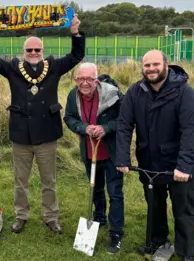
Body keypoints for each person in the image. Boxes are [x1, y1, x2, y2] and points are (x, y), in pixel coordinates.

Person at [0, 14, 85, 234]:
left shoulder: (53, 67)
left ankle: (51, 216)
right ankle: (21, 216)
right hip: (21, 135)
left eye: (37, 50)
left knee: (49, 180)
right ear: (23, 52)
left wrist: (75, 33)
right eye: (29, 50)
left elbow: (77, 55)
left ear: (42, 51)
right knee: (21, 181)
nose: (34, 53)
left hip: (47, 134)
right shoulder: (13, 69)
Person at [115, 50, 194, 261]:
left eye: (155, 64)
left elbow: (191, 130)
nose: (151, 69)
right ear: (142, 68)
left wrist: (183, 166)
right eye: (147, 65)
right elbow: (124, 125)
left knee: (184, 210)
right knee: (155, 206)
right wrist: (122, 158)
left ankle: (188, 252)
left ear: (166, 65)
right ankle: (158, 241)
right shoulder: (136, 91)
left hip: (178, 165)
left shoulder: (183, 92)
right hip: (149, 162)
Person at [63, 62, 124, 254]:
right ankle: (99, 219)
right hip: (90, 153)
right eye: (81, 79)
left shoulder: (112, 94)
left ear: (96, 80)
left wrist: (105, 128)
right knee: (96, 189)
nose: (85, 83)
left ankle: (116, 233)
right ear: (76, 80)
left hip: (112, 153)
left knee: (114, 193)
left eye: (89, 79)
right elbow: (69, 118)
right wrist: (84, 128)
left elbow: (124, 120)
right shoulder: (73, 95)